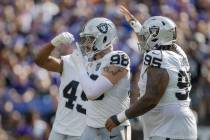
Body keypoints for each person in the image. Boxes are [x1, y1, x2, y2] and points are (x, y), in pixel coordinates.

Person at [105, 6, 197, 140]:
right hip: (179, 122)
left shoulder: (157, 56)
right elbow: (153, 41)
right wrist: (134, 23)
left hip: (167, 127)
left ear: (156, 38)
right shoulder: (178, 52)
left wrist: (120, 117)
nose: (143, 39)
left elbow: (151, 98)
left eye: (147, 35)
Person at [71, 17, 131, 140]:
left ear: (105, 38)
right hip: (91, 126)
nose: (86, 43)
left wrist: (79, 66)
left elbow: (92, 93)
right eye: (86, 39)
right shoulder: (90, 61)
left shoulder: (118, 57)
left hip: (114, 127)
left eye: (91, 39)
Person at [35, 32, 87, 140]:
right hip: (60, 127)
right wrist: (54, 43)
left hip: (80, 131)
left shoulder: (103, 71)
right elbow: (40, 61)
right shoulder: (69, 62)